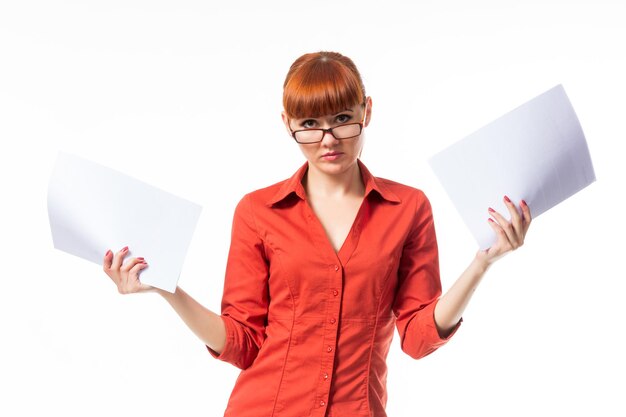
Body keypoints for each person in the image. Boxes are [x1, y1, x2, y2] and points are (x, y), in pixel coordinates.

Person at [102, 51, 532, 417]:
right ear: (287, 122)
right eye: (309, 123)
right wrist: (166, 288)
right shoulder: (257, 212)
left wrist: (483, 262)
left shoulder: (408, 208)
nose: (328, 140)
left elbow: (419, 338)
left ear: (367, 111)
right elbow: (243, 344)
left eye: (343, 119)